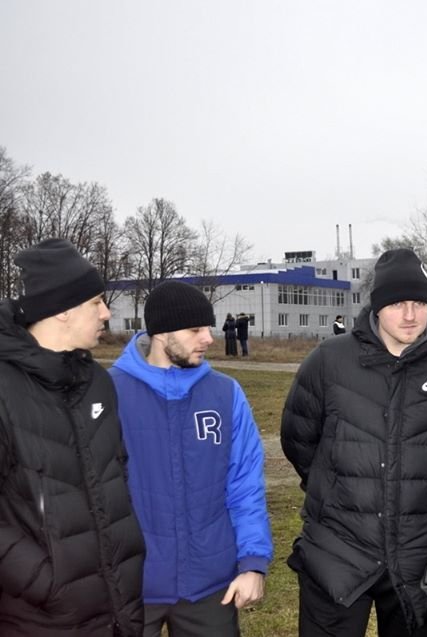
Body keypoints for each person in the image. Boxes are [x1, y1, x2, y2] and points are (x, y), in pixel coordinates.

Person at [281, 248, 427, 637]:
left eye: (418, 303)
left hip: (420, 556)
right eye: (396, 304)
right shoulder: (328, 361)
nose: (410, 315)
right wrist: (335, 488)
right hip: (336, 550)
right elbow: (298, 438)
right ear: (376, 307)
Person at [110, 281, 273, 637]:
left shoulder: (225, 393)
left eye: (208, 328)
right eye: (195, 329)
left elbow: (245, 485)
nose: (208, 339)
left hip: (210, 584)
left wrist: (252, 563)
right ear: (161, 333)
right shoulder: (109, 393)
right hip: (130, 584)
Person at [0, 238, 145, 636]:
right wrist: (45, 581)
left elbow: (117, 475)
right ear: (62, 310)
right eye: (96, 302)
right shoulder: (5, 388)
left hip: (118, 607)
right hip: (41, 618)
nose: (106, 313)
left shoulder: (97, 380)